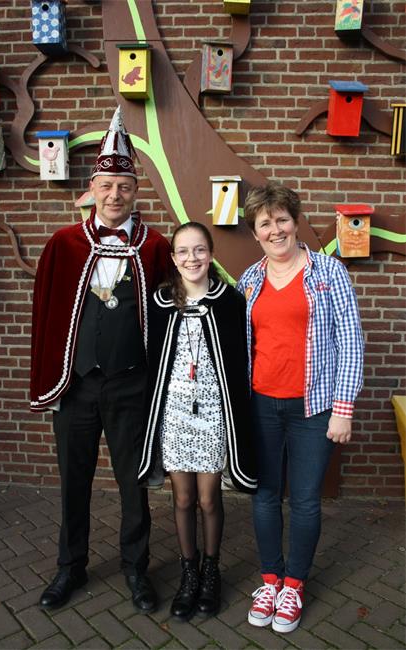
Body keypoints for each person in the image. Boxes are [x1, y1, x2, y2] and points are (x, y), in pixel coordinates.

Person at [30, 107, 172, 613]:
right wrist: (48, 380)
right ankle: (70, 567)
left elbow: (170, 314)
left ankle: (136, 568)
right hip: (77, 386)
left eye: (125, 187)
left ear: (136, 192)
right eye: (107, 186)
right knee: (74, 481)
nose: (115, 195)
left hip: (132, 385)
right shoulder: (63, 244)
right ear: (92, 188)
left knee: (134, 484)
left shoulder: (156, 247)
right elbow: (45, 315)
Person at [237, 182, 364, 634]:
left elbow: (350, 341)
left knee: (306, 499)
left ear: (296, 222)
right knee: (265, 495)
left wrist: (343, 408)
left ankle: (294, 584)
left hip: (314, 408)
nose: (275, 230)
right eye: (265, 223)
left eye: (282, 220)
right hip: (260, 406)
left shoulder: (329, 273)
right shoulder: (249, 280)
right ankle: (270, 580)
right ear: (255, 232)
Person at [138, 222, 257, 621]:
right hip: (174, 413)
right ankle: (188, 574)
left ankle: (211, 571)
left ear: (211, 254)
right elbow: (152, 360)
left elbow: (240, 360)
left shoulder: (229, 301)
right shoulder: (159, 302)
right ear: (174, 258)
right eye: (184, 251)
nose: (192, 258)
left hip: (212, 412)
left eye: (200, 250)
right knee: (183, 499)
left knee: (208, 499)